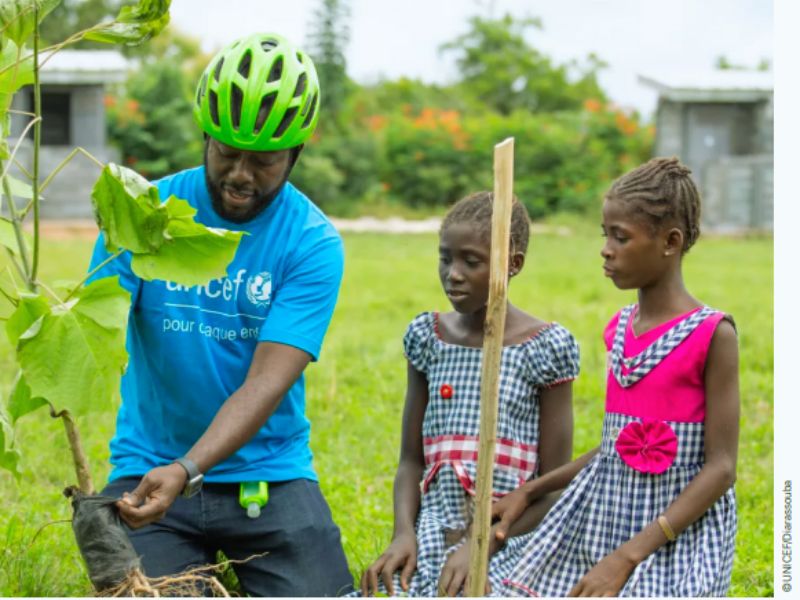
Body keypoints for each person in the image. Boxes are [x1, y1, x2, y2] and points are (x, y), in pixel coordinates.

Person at [89, 33, 353, 597]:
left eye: (263, 161)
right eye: (226, 152)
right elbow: (91, 331)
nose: (240, 174)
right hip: (147, 468)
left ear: (295, 155)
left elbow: (266, 381)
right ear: (205, 136)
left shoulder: (311, 243)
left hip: (270, 475)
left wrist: (188, 467)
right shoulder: (142, 216)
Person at [490, 157, 740, 597]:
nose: (606, 248)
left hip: (675, 536)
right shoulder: (619, 329)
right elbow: (616, 447)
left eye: (620, 237)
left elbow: (721, 469)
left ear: (671, 241)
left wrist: (627, 557)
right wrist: (531, 491)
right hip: (606, 518)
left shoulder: (712, 335)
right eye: (605, 234)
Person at [358, 192, 580, 597]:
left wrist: (480, 547)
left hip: (512, 539)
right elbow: (411, 460)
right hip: (433, 533)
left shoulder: (543, 347)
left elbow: (551, 487)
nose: (453, 274)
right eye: (446, 258)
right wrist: (402, 535)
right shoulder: (430, 338)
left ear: (513, 265)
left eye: (471, 262)